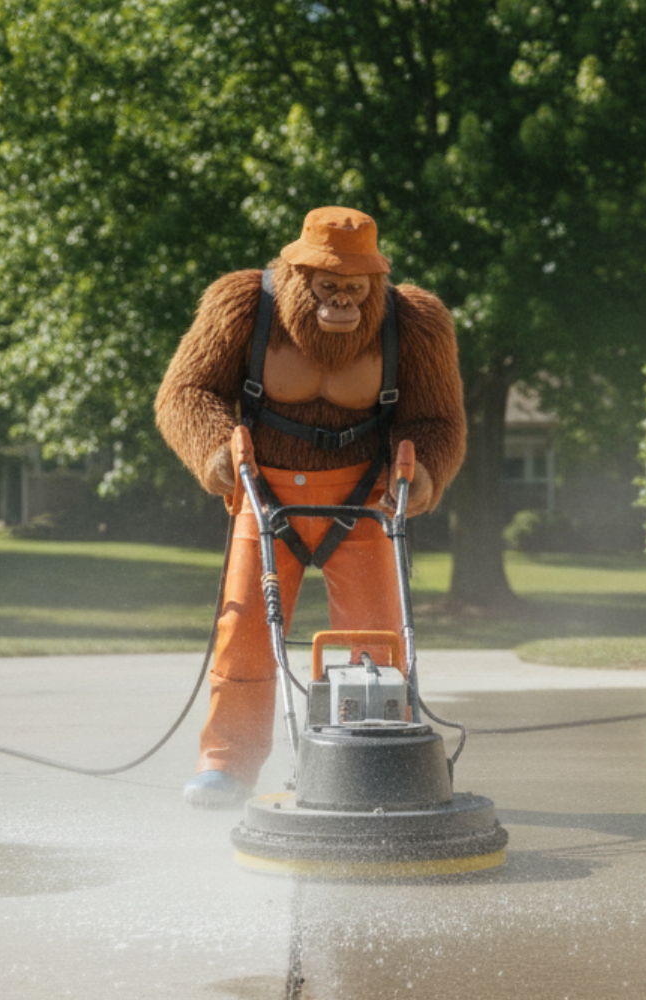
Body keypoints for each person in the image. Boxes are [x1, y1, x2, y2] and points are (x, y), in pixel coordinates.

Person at [155, 207, 466, 806]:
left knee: (377, 638)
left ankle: (371, 758)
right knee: (243, 628)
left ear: (376, 283)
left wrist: (425, 470)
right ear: (298, 276)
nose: (343, 303)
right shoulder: (243, 306)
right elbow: (184, 391)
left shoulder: (417, 323)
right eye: (329, 287)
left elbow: (437, 418)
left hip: (363, 498)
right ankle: (226, 764)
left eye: (356, 289)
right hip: (264, 490)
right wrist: (214, 449)